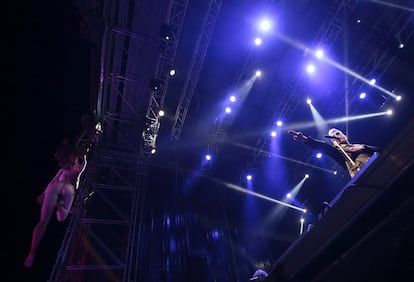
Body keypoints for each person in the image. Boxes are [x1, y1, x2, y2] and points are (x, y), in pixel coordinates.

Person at [24, 141, 87, 268]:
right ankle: (61, 206)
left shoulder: (69, 167)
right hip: (66, 189)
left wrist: (44, 193)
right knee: (57, 218)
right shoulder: (75, 165)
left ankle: (32, 253)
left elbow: (55, 180)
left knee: (47, 220)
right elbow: (77, 168)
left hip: (59, 188)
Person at [288, 128, 381, 178]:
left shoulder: (359, 145)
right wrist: (305, 140)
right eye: (333, 137)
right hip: (366, 175)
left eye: (337, 133)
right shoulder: (339, 152)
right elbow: (324, 147)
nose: (336, 137)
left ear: (344, 135)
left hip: (379, 166)